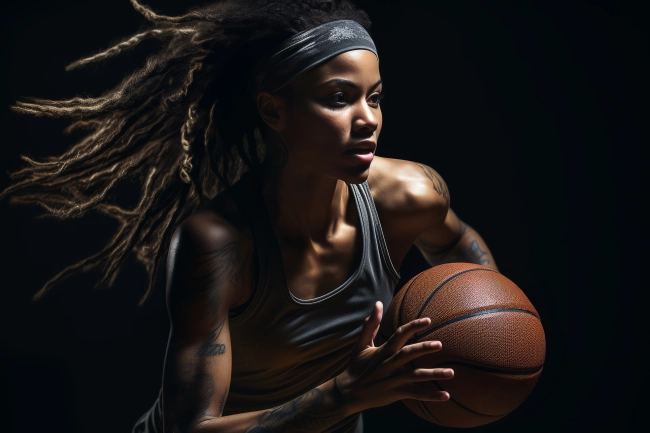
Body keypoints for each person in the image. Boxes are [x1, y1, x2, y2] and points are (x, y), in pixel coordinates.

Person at [2, 1, 499, 432]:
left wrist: (485, 325)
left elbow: (458, 246)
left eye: (375, 96)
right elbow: (190, 428)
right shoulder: (220, 244)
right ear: (272, 110)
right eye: (338, 98)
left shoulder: (410, 195)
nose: (367, 118)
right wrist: (347, 394)